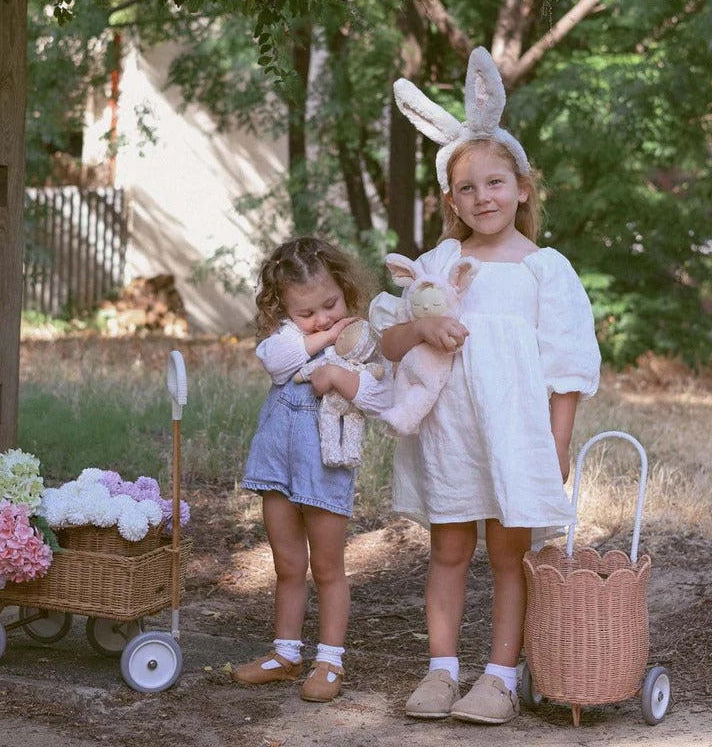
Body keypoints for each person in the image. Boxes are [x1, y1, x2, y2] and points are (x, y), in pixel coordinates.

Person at [370, 47, 601, 725]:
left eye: (496, 184)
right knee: (447, 550)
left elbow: (567, 370)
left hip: (514, 435)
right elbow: (387, 339)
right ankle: (441, 670)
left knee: (508, 555)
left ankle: (499, 676)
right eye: (468, 190)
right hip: (449, 434)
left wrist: (555, 447)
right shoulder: (440, 263)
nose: (484, 198)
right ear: (451, 201)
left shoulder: (545, 270)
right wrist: (421, 334)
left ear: (523, 187)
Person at [232, 235, 391, 702]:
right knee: (286, 565)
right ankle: (285, 655)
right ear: (282, 311)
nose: (322, 318)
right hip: (278, 466)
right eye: (306, 314)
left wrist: (340, 373)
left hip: (325, 466)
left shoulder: (360, 344)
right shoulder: (286, 341)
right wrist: (322, 337)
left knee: (327, 567)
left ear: (346, 290)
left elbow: (380, 396)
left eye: (331, 304)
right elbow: (277, 364)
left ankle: (329, 661)